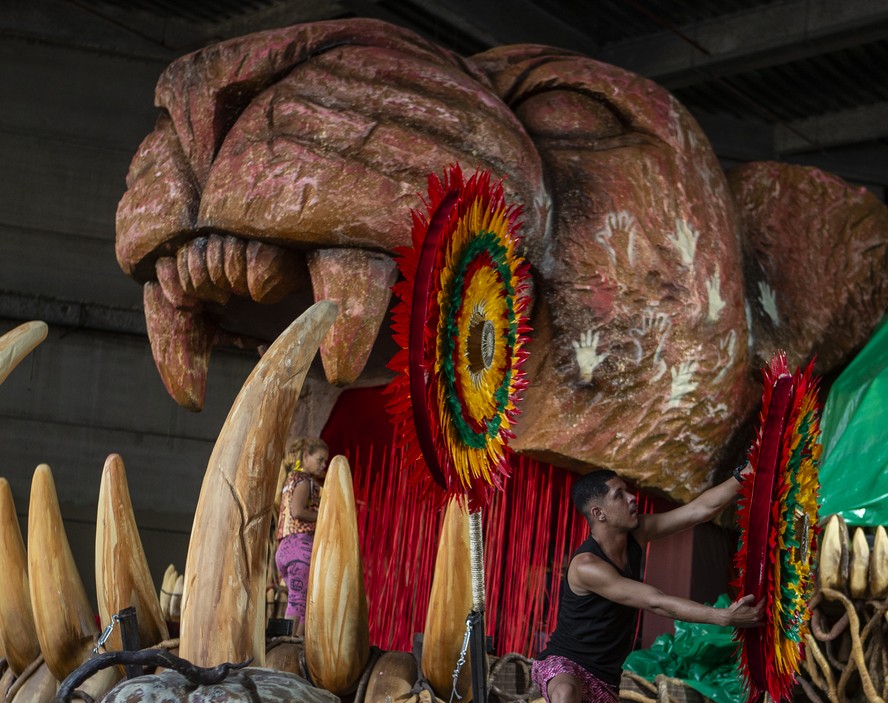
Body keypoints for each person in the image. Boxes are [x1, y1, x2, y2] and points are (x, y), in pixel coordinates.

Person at [532, 466, 763, 703]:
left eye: (627, 491)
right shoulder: (587, 566)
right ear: (599, 513)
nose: (632, 497)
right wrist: (723, 617)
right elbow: (656, 601)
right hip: (564, 662)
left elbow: (699, 510)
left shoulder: (637, 532)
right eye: (619, 495)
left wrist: (744, 474)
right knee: (565, 693)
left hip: (605, 680)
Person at [274, 437, 329, 636]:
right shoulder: (305, 481)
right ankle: (287, 644)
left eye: (325, 461)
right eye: (320, 459)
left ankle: (297, 644)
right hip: (300, 547)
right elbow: (297, 511)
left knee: (301, 600)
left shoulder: (290, 479)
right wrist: (324, 516)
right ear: (306, 456)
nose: (323, 465)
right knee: (298, 601)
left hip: (285, 549)